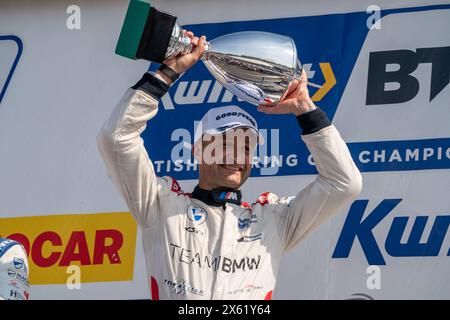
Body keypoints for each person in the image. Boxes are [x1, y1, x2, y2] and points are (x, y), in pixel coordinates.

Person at [97, 31, 362, 300]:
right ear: (199, 150)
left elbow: (345, 183)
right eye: (226, 143)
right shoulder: (160, 204)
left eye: (246, 147)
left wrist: (305, 108)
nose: (237, 156)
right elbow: (117, 139)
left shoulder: (274, 220)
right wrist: (166, 74)